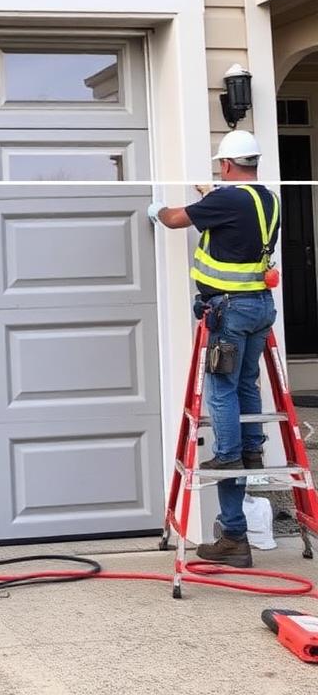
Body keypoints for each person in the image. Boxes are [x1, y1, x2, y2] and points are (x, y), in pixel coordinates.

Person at [148, 130, 280, 568]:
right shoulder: (266, 199)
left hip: (230, 310)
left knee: (220, 387)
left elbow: (173, 219)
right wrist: (211, 195)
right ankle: (252, 448)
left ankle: (228, 454)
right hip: (260, 308)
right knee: (245, 382)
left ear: (226, 165)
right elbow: (231, 221)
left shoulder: (227, 201)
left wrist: (154, 209)